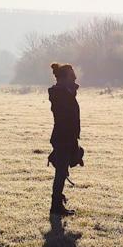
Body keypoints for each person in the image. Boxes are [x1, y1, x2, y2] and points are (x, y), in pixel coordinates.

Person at [48, 62, 81, 216]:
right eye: (71, 76)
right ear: (64, 78)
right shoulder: (60, 94)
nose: (75, 78)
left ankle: (57, 204)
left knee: (61, 172)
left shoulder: (63, 92)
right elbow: (66, 114)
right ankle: (56, 207)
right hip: (63, 138)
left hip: (66, 137)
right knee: (60, 173)